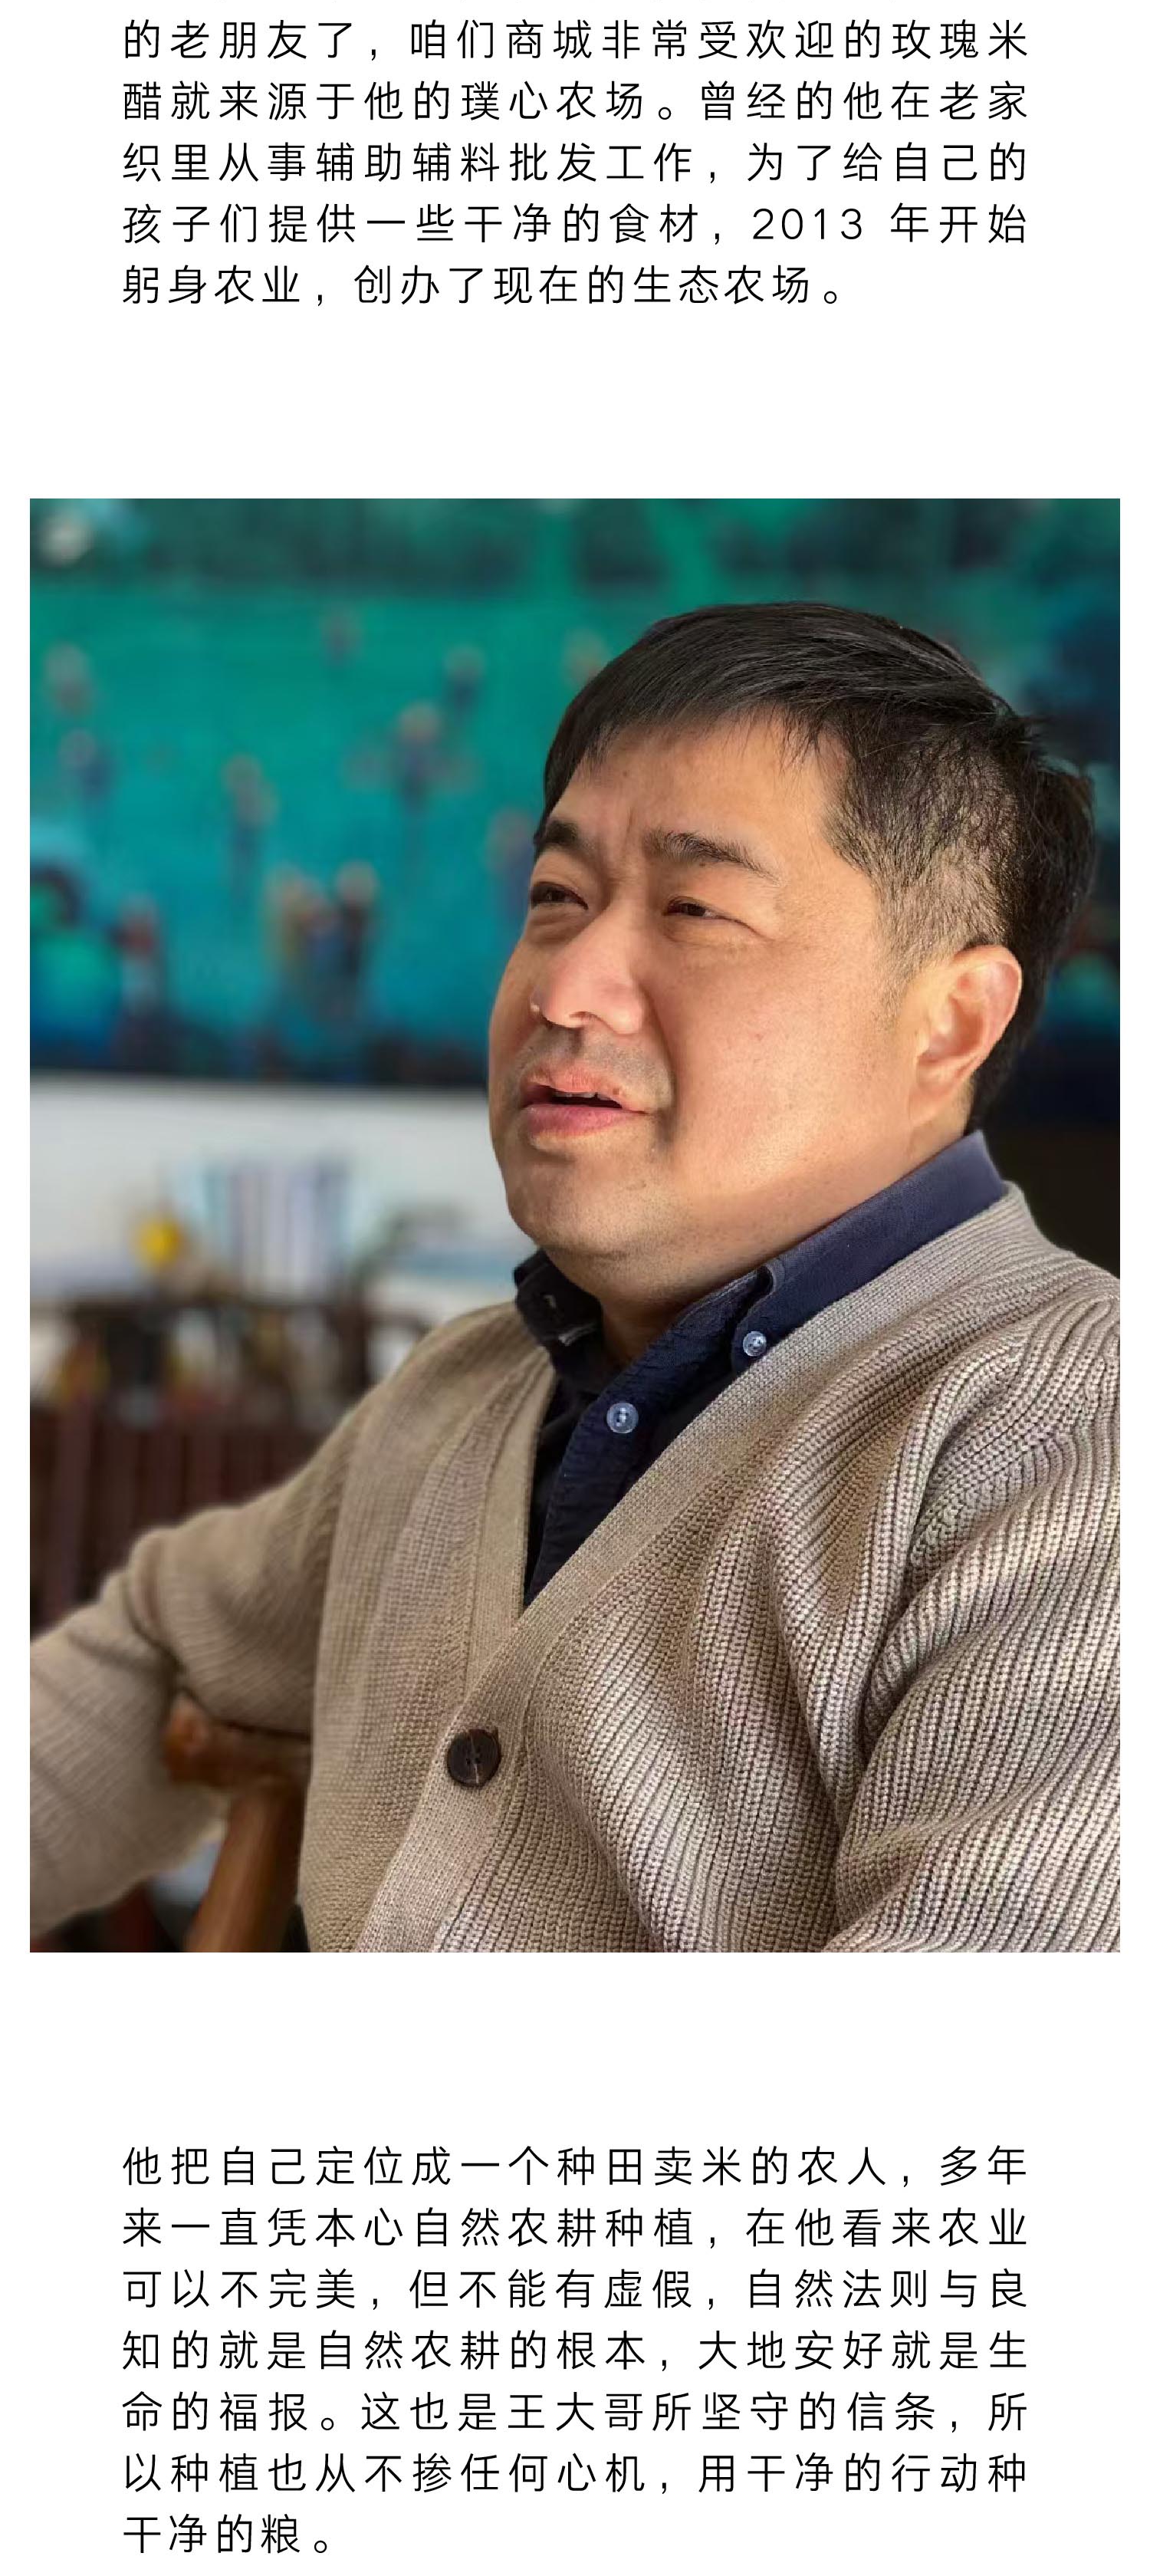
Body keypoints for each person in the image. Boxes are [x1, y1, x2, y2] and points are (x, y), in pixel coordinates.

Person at [31, 600, 1119, 1955]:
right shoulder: (463, 1394)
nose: (566, 987)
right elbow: (155, 1659)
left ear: (950, 1020)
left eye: (695, 908)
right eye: (557, 899)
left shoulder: (1066, 1434)